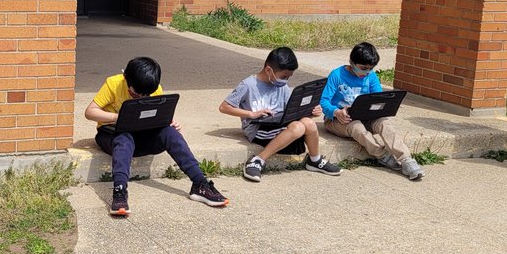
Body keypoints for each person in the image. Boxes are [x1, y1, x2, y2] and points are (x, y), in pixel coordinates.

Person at [86, 56, 228, 216]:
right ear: (126, 79)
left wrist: (168, 121)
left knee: (170, 133)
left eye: (145, 95)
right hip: (112, 136)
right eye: (135, 94)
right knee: (124, 137)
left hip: (141, 136)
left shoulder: (154, 88)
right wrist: (117, 117)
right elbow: (90, 112)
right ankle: (119, 191)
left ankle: (200, 184)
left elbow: (155, 114)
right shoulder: (113, 83)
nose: (141, 97)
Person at [220, 46, 341, 182]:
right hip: (257, 128)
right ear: (268, 70)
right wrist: (251, 114)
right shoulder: (248, 85)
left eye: (289, 77)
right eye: (284, 76)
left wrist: (309, 112)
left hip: (279, 124)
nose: (286, 80)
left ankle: (315, 160)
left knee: (309, 123)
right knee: (298, 127)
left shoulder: (282, 86)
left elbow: (290, 110)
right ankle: (258, 160)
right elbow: (224, 107)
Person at [320, 42, 424, 181]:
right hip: (337, 120)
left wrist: (384, 107)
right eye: (363, 68)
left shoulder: (371, 76)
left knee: (384, 123)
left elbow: (379, 98)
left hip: (366, 117)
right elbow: (324, 101)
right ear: (352, 62)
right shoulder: (337, 75)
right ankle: (383, 155)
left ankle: (406, 160)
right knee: (357, 127)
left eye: (370, 69)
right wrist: (336, 112)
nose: (366, 72)